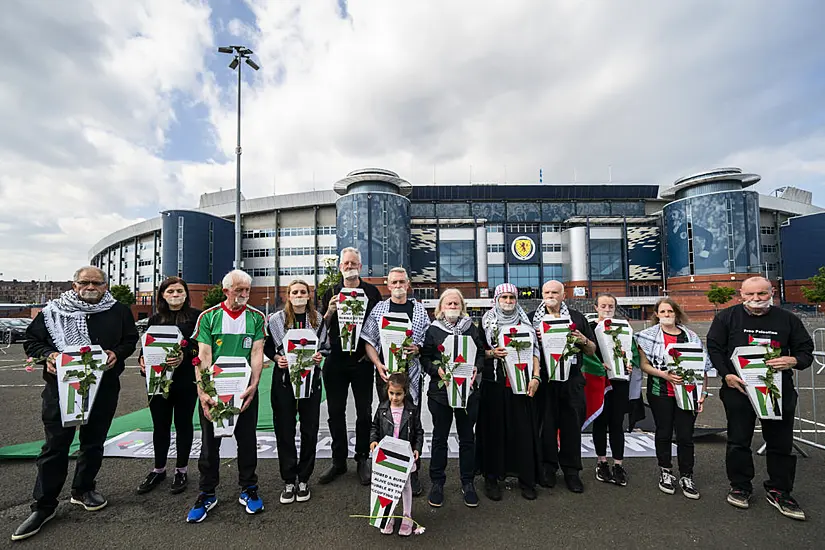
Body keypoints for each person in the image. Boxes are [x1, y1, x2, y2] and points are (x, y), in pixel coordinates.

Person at [13, 266, 138, 542]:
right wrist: (49, 355)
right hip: (61, 389)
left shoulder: (118, 311)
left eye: (97, 283)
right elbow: (32, 341)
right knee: (56, 445)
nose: (91, 287)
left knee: (93, 442)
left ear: (106, 286)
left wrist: (117, 353)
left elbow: (130, 340)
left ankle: (83, 489)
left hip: (103, 388)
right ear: (74, 284)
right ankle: (44, 505)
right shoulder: (53, 311)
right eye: (85, 282)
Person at [706, 276, 812, 520]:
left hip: (777, 390)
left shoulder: (787, 319)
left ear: (771, 292)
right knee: (738, 440)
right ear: (741, 294)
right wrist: (726, 375)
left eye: (761, 294)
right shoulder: (726, 317)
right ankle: (740, 486)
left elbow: (805, 351)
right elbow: (715, 348)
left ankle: (780, 490)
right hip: (739, 390)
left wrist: (793, 360)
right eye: (750, 295)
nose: (756, 299)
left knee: (780, 442)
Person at [186, 270, 266, 523]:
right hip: (215, 391)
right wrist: (204, 392)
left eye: (247, 290)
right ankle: (207, 492)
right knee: (211, 444)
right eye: (239, 290)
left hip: (243, 391)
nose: (244, 295)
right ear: (226, 291)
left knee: (247, 440)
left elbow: (256, 354)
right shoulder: (209, 317)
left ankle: (249, 488)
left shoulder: (256, 317)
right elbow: (204, 356)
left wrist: (254, 386)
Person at [361, 267, 430, 495]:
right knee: (385, 422)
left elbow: (428, 342)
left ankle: (412, 473)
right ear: (388, 285)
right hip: (385, 376)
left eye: (402, 281)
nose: (398, 285)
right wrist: (377, 364)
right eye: (394, 282)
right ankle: (385, 473)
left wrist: (418, 348)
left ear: (408, 284)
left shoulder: (419, 310)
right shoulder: (380, 309)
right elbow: (369, 341)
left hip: (410, 375)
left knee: (411, 424)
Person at [318, 248, 383, 486]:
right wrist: (329, 311)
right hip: (335, 361)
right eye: (345, 263)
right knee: (335, 412)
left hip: (361, 361)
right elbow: (319, 327)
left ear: (361, 265)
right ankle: (338, 460)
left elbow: (379, 326)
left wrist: (372, 353)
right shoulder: (330, 293)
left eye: (353, 262)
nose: (349, 266)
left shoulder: (372, 292)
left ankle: (362, 458)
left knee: (364, 412)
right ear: (340, 267)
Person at [635, 298, 710, 500]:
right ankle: (665, 471)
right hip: (661, 392)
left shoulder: (691, 337)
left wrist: (702, 394)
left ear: (676, 314)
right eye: (663, 311)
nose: (667, 315)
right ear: (656, 314)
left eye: (670, 311)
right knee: (663, 432)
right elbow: (644, 365)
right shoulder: (647, 337)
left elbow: (702, 369)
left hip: (688, 393)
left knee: (686, 435)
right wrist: (665, 375)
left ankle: (687, 475)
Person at [476, 283, 543, 501]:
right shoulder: (485, 323)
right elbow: (478, 352)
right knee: (494, 431)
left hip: (522, 385)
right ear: (496, 299)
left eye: (511, 298)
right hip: (494, 384)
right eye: (503, 297)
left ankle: (526, 479)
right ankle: (492, 478)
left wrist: (535, 376)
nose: (507, 301)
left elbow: (535, 351)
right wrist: (491, 353)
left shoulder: (525, 323)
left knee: (523, 432)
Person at [419, 289, 485, 508]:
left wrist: (476, 368)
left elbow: (482, 354)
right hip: (440, 395)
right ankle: (437, 482)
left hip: (468, 392)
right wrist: (435, 371)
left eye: (456, 303)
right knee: (439, 438)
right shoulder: (433, 330)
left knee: (467, 438)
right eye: (449, 303)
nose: (453, 306)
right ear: (441, 306)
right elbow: (426, 357)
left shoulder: (471, 328)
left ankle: (468, 482)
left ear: (462, 306)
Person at [530, 280, 597, 494]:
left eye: (555, 292)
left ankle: (571, 471)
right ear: (541, 294)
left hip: (572, 380)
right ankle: (548, 467)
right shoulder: (532, 319)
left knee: (571, 426)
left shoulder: (577, 318)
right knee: (546, 425)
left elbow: (592, 350)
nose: (551, 295)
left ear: (563, 295)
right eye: (547, 292)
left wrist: (583, 340)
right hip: (546, 380)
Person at [265, 280, 328, 505]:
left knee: (310, 429)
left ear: (309, 295)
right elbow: (268, 347)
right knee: (285, 430)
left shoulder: (318, 320)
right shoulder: (275, 320)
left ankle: (304, 478)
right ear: (288, 296)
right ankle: (289, 479)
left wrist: (321, 355)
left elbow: (325, 347)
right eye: (295, 292)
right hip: (283, 381)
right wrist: (276, 358)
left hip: (311, 381)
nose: (299, 295)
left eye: (303, 291)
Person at [136, 277, 201, 495]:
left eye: (179, 291)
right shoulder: (154, 319)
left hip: (185, 380)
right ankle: (159, 468)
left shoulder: (196, 316)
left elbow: (200, 346)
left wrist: (185, 354)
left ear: (186, 294)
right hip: (157, 380)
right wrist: (141, 361)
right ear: (162, 295)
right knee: (160, 425)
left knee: (183, 425)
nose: (175, 295)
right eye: (170, 291)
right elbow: (145, 346)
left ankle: (181, 469)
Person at [588, 293, 641, 487]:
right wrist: (598, 364)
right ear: (596, 307)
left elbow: (633, 352)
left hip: (620, 381)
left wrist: (629, 364)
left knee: (617, 423)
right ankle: (602, 462)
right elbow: (586, 354)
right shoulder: (591, 328)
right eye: (603, 305)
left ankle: (618, 464)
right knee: (601, 422)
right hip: (600, 380)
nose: (607, 308)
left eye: (611, 306)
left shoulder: (624, 328)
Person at [369, 372, 424, 536]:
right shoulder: (382, 409)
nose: (394, 397)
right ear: (387, 391)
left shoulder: (412, 411)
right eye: (391, 393)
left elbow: (419, 432)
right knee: (387, 486)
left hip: (404, 455)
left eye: (398, 393)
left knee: (406, 486)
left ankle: (407, 516)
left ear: (405, 392)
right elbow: (374, 427)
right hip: (386, 455)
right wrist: (373, 441)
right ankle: (388, 515)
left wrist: (417, 448)